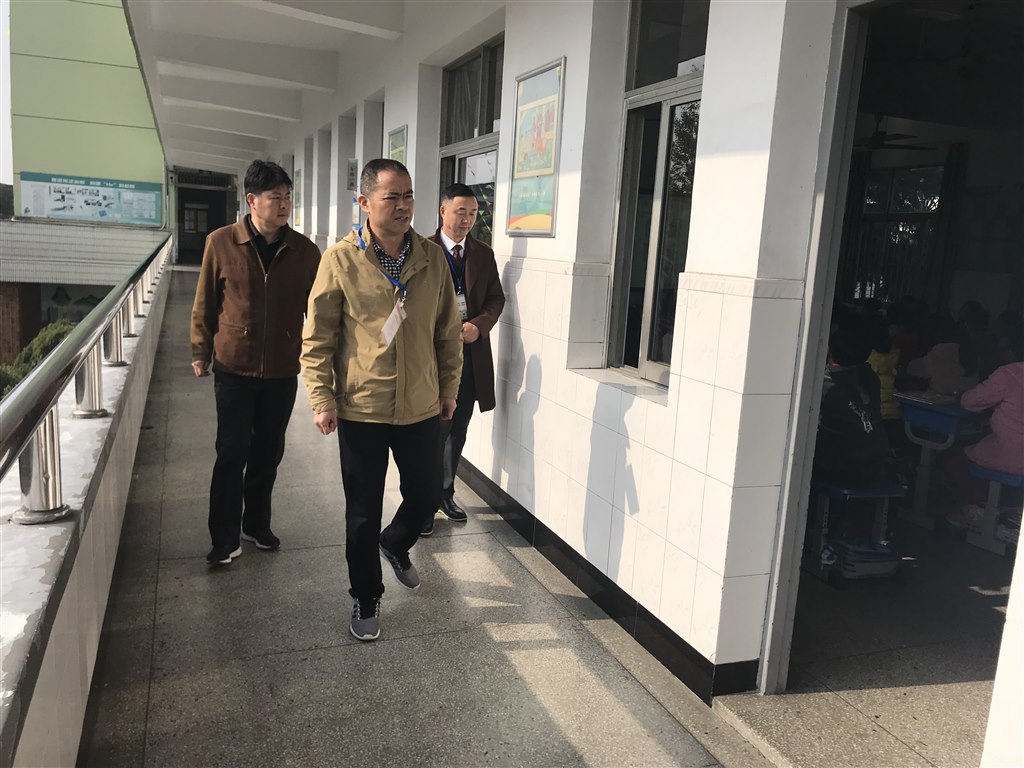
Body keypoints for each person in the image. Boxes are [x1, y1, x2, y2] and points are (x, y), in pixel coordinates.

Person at [299, 159, 462, 642]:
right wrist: (322, 398)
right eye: (392, 197)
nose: (403, 206)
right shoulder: (340, 260)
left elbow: (448, 332)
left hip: (420, 404)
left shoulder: (432, 258)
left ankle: (395, 543)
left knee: (426, 495)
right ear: (365, 203)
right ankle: (366, 596)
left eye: (408, 195)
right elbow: (318, 337)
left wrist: (448, 389)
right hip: (362, 405)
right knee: (363, 511)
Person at [191, 159, 320, 565]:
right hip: (233, 367)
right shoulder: (221, 242)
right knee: (231, 452)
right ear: (251, 200)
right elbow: (205, 302)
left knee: (268, 452)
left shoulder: (304, 251)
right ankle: (224, 537)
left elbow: (318, 312)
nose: (283, 205)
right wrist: (200, 349)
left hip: (282, 369)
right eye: (275, 197)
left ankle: (256, 523)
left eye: (287, 197)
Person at [421, 183, 505, 535]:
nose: (467, 220)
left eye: (473, 214)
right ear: (443, 211)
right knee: (430, 432)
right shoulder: (422, 251)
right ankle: (422, 504)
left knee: (457, 428)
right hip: (431, 357)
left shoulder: (483, 254)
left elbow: (496, 299)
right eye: (461, 212)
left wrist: (478, 326)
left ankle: (445, 493)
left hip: (470, 355)